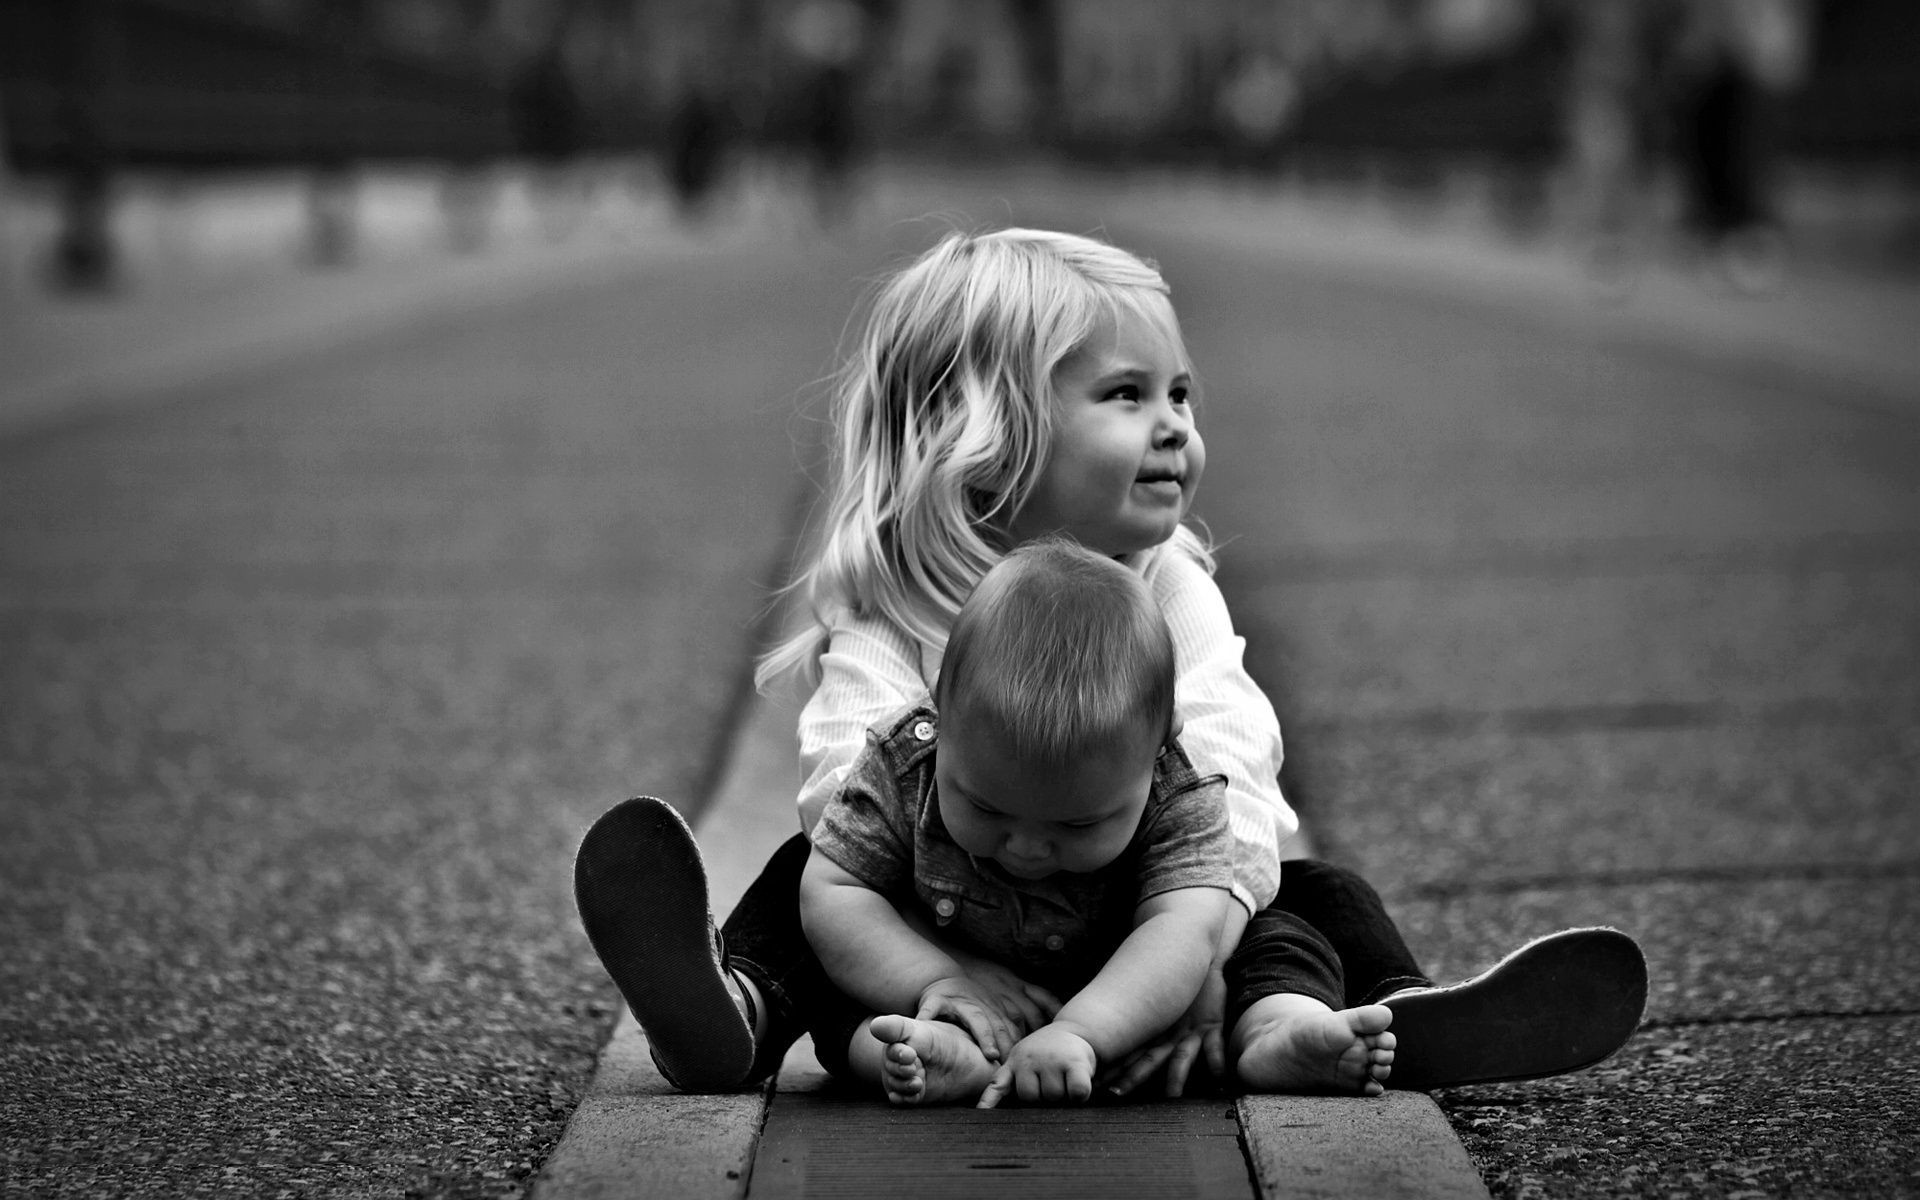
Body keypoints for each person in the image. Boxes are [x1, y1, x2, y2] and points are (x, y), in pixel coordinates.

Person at [574, 227, 1647, 1097]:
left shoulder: (1166, 581)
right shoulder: (897, 601)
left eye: (1180, 394)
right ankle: (743, 1016)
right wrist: (943, 976)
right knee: (807, 889)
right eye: (1128, 397)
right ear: (980, 433)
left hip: (1155, 920)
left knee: (1318, 899)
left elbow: (1235, 769)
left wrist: (1189, 960)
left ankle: (1334, 1022)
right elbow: (841, 801)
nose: (1175, 426)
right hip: (943, 933)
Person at [801, 539, 1395, 1106]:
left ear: (1160, 748)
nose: (1028, 848)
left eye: (1078, 825)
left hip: (1130, 1001)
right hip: (950, 974)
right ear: (939, 710)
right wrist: (935, 981)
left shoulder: (1180, 795)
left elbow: (1181, 932)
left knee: (1282, 936)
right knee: (832, 971)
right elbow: (836, 889)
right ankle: (930, 1055)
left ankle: (1278, 1030)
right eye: (986, 808)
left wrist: (1081, 1031)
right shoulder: (904, 763)